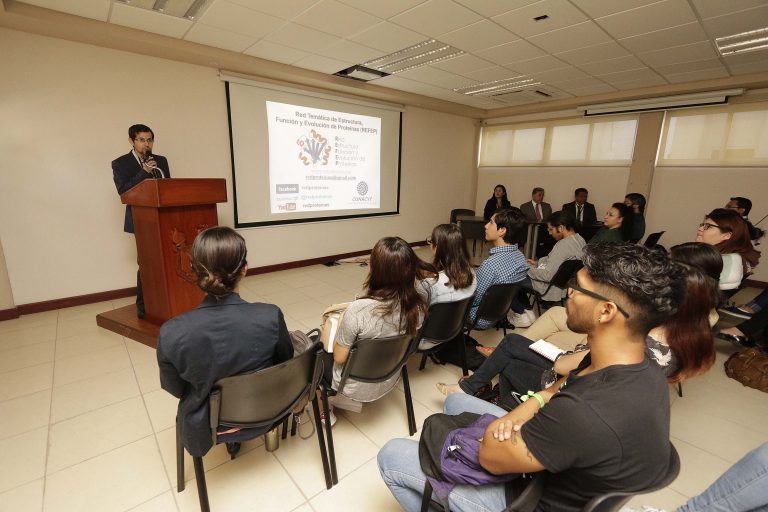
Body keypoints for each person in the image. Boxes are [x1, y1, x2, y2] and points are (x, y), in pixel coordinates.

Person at [379, 243, 691, 512]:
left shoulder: (586, 413)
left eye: (576, 287)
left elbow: (490, 455)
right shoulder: (642, 369)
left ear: (606, 311)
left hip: (526, 499)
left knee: (391, 454)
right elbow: (556, 388)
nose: (568, 295)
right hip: (554, 461)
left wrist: (502, 428)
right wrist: (529, 409)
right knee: (458, 401)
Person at [437, 242, 720, 410]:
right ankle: (480, 389)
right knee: (513, 345)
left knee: (510, 358)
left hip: (561, 388)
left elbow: (569, 369)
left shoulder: (637, 346)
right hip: (571, 374)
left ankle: (491, 397)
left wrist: (558, 355)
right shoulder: (679, 334)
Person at [156, 226, 293, 458]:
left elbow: (176, 388)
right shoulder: (270, 316)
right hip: (265, 413)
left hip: (208, 425)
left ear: (193, 271)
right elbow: (284, 362)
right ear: (245, 270)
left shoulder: (172, 333)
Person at [321, 237, 428, 424]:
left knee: (314, 354)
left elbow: (338, 358)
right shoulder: (418, 307)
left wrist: (327, 333)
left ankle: (325, 408)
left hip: (352, 384)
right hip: (390, 375)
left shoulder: (359, 310)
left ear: (376, 270)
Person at [112, 124, 171, 318]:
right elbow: (124, 192)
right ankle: (143, 307)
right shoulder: (120, 163)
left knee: (165, 261)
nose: (147, 144)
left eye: (150, 140)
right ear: (131, 141)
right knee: (146, 263)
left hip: (163, 219)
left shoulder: (161, 160)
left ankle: (165, 301)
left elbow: (168, 189)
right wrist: (144, 172)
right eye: (142, 140)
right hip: (141, 221)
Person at [469, 209, 529, 329]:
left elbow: (474, 300)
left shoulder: (490, 265)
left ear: (502, 230)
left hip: (480, 318)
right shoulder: (521, 258)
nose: (486, 226)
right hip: (501, 313)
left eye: (491, 223)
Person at [526, 211, 586, 304]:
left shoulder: (562, 245)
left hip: (549, 287)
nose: (550, 233)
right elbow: (560, 262)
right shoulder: (580, 240)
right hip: (564, 285)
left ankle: (523, 311)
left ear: (561, 227)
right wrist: (538, 263)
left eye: (551, 229)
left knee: (513, 278)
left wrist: (526, 269)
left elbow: (547, 275)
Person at [695, 208, 760, 291]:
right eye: (702, 225)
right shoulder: (718, 254)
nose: (700, 229)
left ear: (727, 235)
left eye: (708, 226)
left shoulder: (725, 261)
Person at [424, 224, 476, 306]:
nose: (430, 245)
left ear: (437, 248)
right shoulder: (472, 273)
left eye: (431, 241)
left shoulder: (431, 283)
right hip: (461, 318)